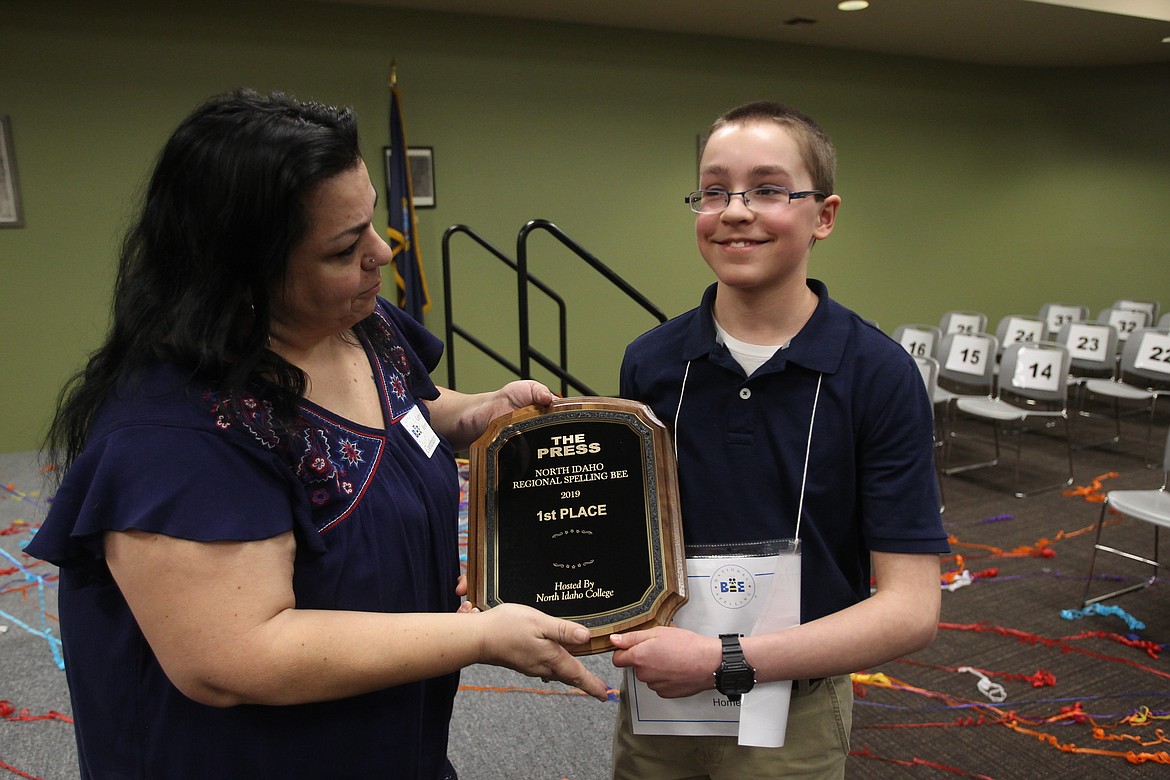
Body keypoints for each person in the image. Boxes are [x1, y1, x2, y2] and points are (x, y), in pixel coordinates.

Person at [26, 88, 608, 780]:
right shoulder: (173, 433)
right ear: (242, 277)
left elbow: (405, 409)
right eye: (342, 248)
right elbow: (236, 657)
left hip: (387, 735)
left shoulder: (355, 321)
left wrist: (475, 413)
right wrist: (479, 635)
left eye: (372, 225)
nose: (382, 257)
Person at [608, 100, 949, 778]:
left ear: (824, 215)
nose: (735, 209)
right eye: (714, 190)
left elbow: (912, 608)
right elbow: (629, 538)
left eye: (767, 189)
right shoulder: (650, 362)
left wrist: (725, 660)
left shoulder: (879, 375)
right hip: (662, 696)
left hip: (793, 708)